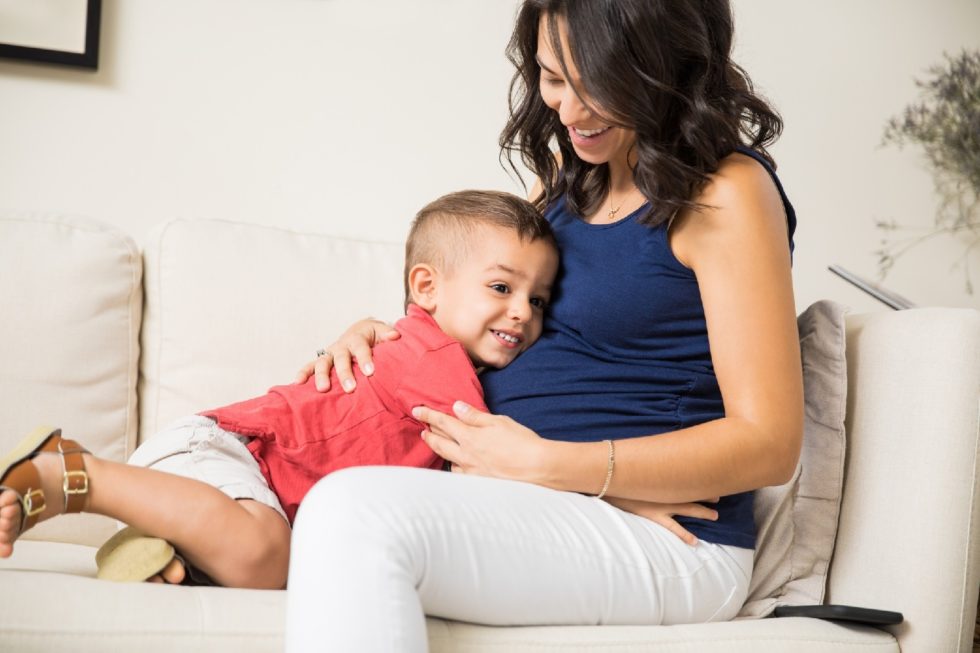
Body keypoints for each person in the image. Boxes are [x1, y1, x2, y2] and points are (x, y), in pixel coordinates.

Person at [286, 0, 803, 651]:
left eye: (601, 85)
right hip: (542, 496)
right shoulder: (561, 187)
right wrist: (382, 330)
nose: (570, 111)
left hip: (676, 540)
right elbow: (477, 317)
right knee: (293, 491)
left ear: (666, 68)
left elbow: (770, 441)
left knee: (353, 513)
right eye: (554, 78)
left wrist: (551, 465)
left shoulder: (725, 191)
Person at [0, 189, 559, 589]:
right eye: (501, 286)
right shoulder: (434, 359)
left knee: (263, 564)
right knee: (269, 556)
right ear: (426, 286)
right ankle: (73, 471)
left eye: (539, 300)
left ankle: (168, 553)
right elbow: (490, 468)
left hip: (213, 488)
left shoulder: (417, 348)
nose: (522, 313)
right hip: (222, 454)